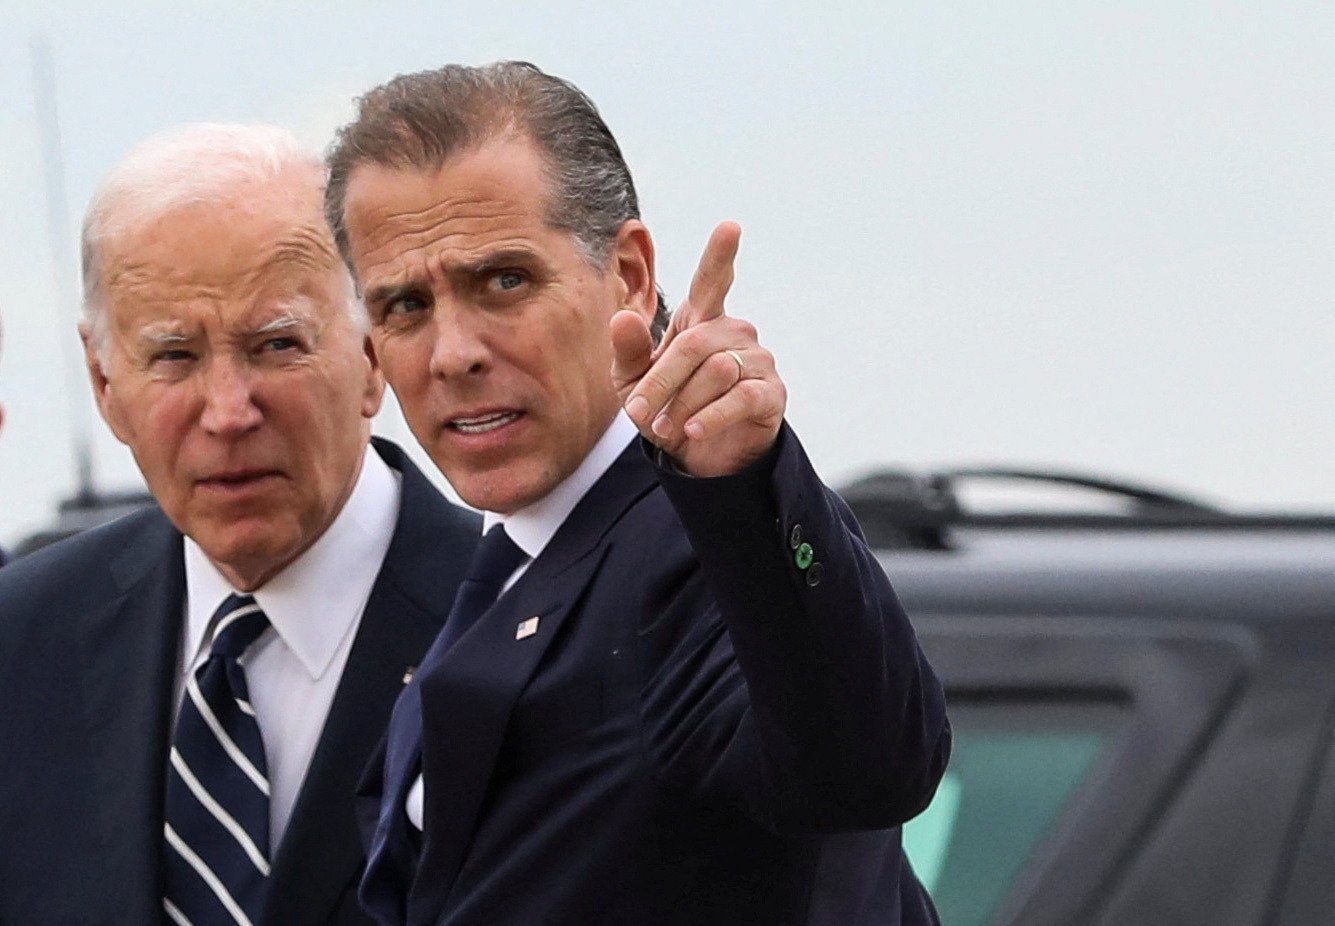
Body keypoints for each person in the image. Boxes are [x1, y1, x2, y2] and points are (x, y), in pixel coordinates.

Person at [327, 62, 950, 925]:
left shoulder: (697, 547)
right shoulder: (505, 565)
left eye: (502, 281)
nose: (453, 353)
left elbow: (864, 768)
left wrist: (739, 485)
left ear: (626, 276)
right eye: (403, 305)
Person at [0, 124, 480, 926]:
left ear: (371, 354)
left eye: (276, 345)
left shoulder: (529, 630)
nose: (228, 412)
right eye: (174, 357)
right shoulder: (22, 645)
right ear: (102, 380)